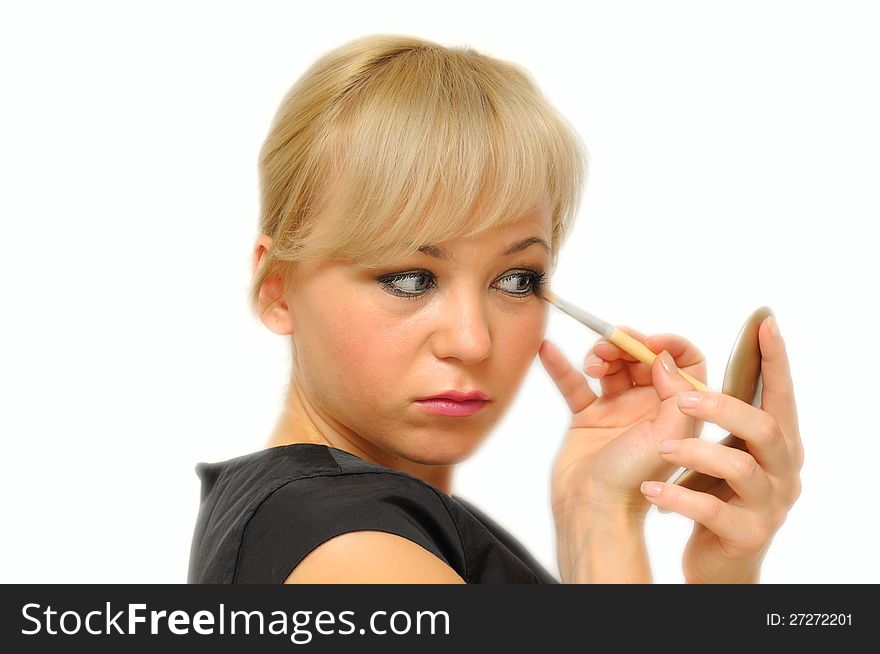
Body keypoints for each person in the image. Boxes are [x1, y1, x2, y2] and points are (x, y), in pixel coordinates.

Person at [187, 34, 803, 584]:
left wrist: (598, 509)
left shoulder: (345, 520)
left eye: (514, 278)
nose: (472, 341)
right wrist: (609, 529)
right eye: (408, 278)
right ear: (277, 287)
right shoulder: (352, 555)